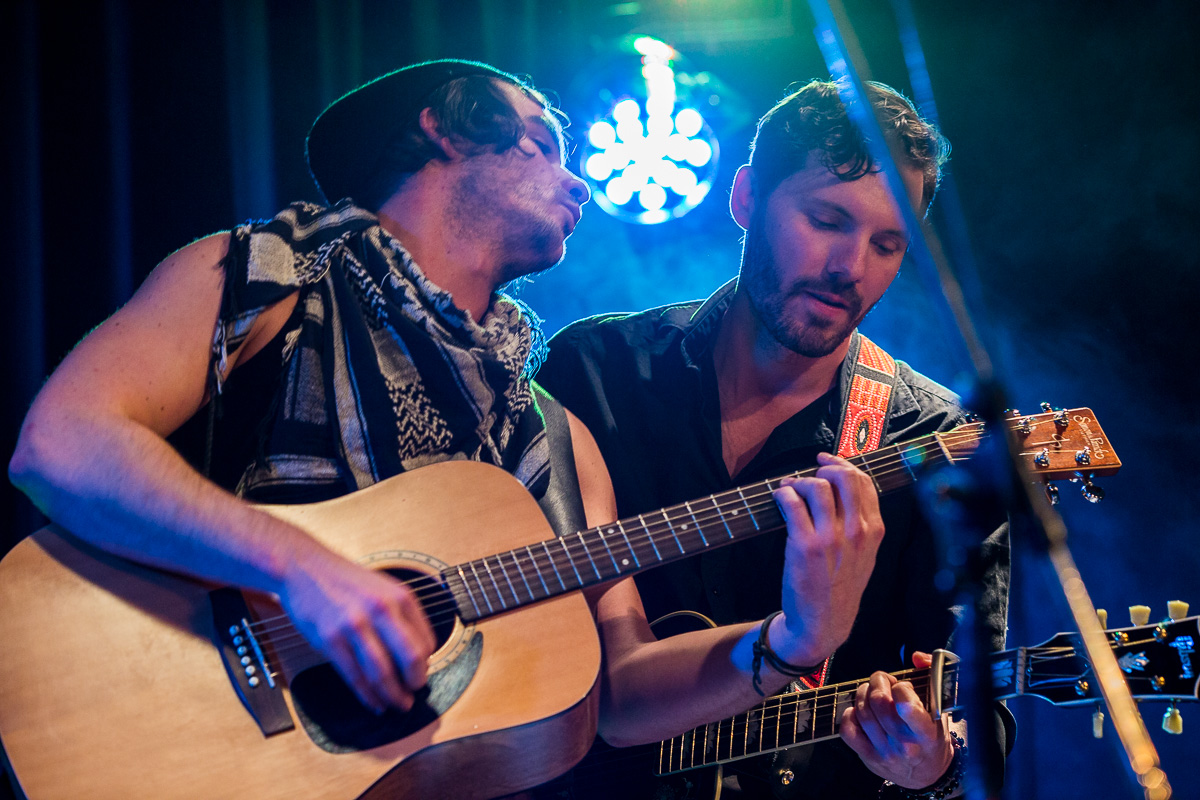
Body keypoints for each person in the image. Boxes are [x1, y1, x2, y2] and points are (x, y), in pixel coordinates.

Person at [8, 61, 892, 797]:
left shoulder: (555, 436)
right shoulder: (278, 274)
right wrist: (299, 567)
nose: (578, 179)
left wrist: (791, 642)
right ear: (443, 131)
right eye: (545, 144)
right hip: (143, 723)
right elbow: (64, 439)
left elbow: (618, 691)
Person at [537, 80, 1011, 799]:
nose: (851, 268)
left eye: (888, 244)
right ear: (746, 198)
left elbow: (975, 714)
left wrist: (932, 769)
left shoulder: (937, 440)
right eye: (826, 220)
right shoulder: (594, 372)